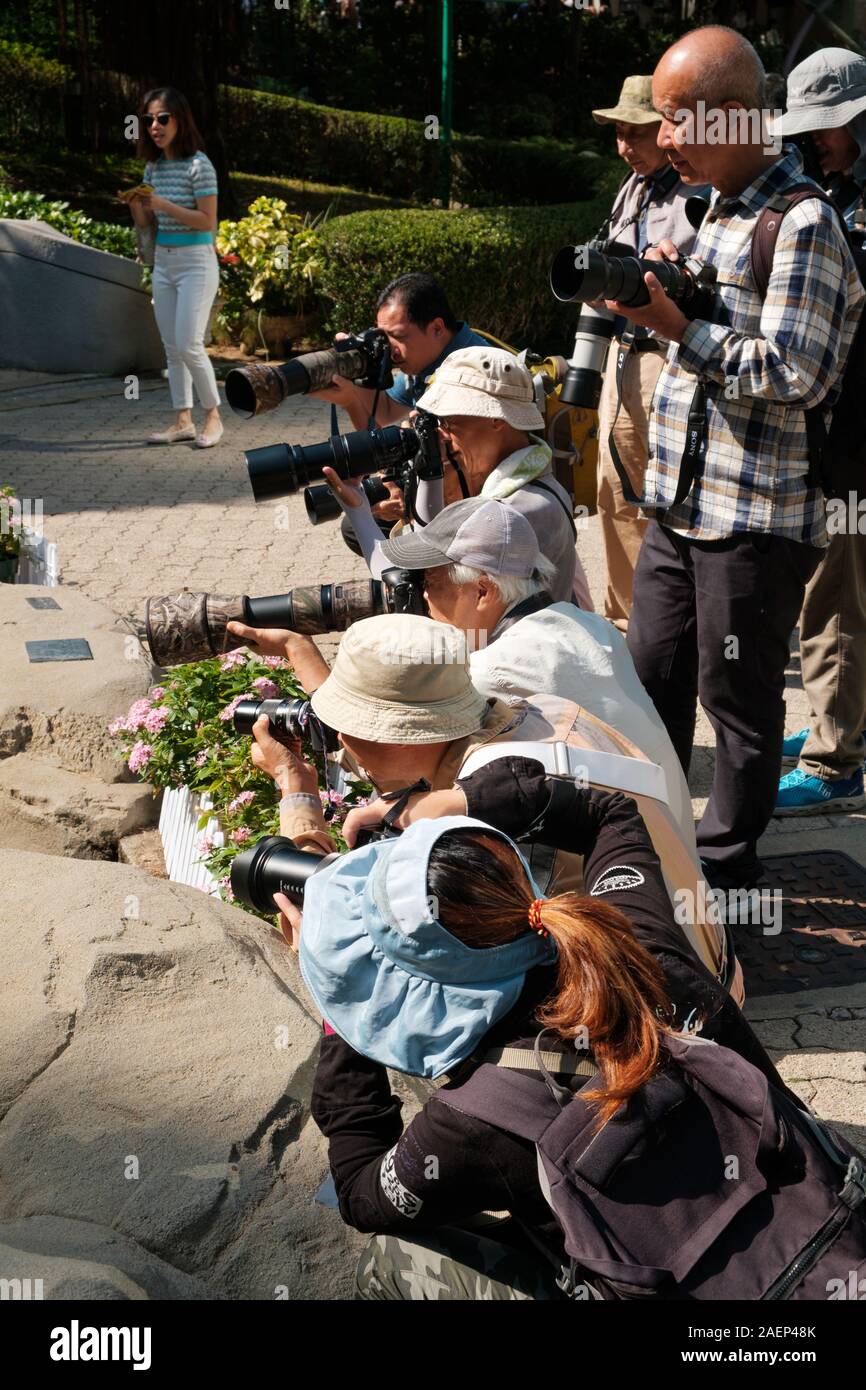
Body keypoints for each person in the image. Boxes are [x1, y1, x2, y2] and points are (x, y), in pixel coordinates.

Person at [265, 758, 798, 1300]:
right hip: (821, 1221)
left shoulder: (473, 1124)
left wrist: (341, 1008)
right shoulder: (639, 941)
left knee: (390, 1261)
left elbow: (359, 1193)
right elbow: (609, 812)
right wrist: (453, 803)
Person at [606, 26, 865, 891]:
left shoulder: (805, 224)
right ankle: (654, 836)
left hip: (753, 517)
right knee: (648, 678)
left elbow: (799, 372)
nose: (663, 135)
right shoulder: (712, 207)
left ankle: (721, 869)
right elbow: (721, 326)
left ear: (726, 117)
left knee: (738, 702)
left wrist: (683, 329)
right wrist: (669, 287)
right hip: (678, 506)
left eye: (676, 118)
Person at [246, 613, 736, 994]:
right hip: (702, 968)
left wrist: (298, 792)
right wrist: (301, 652)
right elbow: (405, 751)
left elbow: (358, 938)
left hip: (644, 1028)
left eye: (342, 729)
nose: (338, 743)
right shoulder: (538, 717)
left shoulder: (482, 833)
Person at [375, 494, 695, 848]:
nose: (422, 600)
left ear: (483, 591)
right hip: (672, 861)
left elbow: (408, 768)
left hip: (626, 881)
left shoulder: (491, 673)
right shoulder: (590, 626)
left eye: (429, 584)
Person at [767, 50, 866, 815]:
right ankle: (849, 726)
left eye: (823, 129)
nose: (812, 143)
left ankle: (835, 761)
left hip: (856, 439)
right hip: (844, 431)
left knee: (835, 597)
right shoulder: (841, 191)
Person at [325, 347, 593, 608]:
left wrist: (359, 510)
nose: (437, 435)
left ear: (496, 419)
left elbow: (410, 592)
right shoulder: (529, 479)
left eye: (446, 421)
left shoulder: (512, 514)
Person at [591, 75, 710, 630]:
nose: (624, 147)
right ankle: (623, 621)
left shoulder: (697, 191)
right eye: (617, 134)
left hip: (663, 357)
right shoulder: (631, 187)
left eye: (634, 134)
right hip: (620, 353)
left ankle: (663, 624)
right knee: (610, 488)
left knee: (654, 490)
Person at [311, 273, 489, 550]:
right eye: (384, 337)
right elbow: (383, 411)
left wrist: (409, 505)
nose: (390, 350)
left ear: (437, 328)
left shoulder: (471, 369)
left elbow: (474, 473)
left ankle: (440, 588)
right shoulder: (428, 358)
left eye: (399, 337)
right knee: (357, 527)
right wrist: (349, 384)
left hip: (483, 499)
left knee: (372, 528)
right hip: (449, 478)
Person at [120, 87, 223, 450]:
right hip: (163, 262)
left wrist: (162, 203)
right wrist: (136, 203)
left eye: (162, 118)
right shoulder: (154, 167)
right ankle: (183, 420)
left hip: (196, 263)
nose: (154, 126)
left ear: (180, 119)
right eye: (148, 120)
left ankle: (213, 416)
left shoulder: (200, 165)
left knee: (190, 344)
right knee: (171, 347)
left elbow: (206, 221)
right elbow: (147, 221)